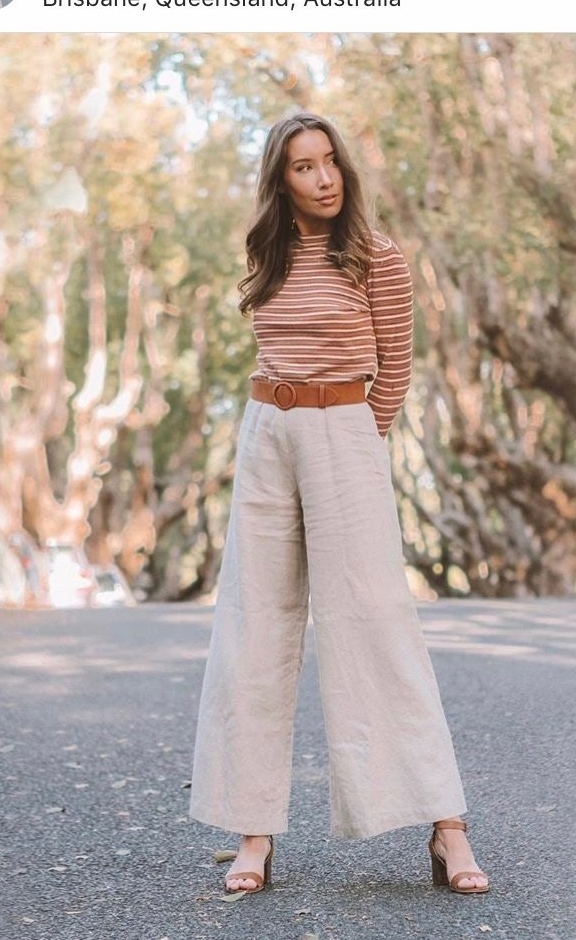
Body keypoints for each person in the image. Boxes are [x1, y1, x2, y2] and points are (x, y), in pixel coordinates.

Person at [188, 111, 490, 896]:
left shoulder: (375, 256)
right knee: (254, 625)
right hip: (266, 431)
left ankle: (447, 826)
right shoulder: (267, 250)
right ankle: (252, 833)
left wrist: (355, 439)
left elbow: (395, 369)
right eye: (303, 167)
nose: (322, 178)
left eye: (329, 162)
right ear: (280, 179)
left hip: (343, 429)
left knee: (374, 619)